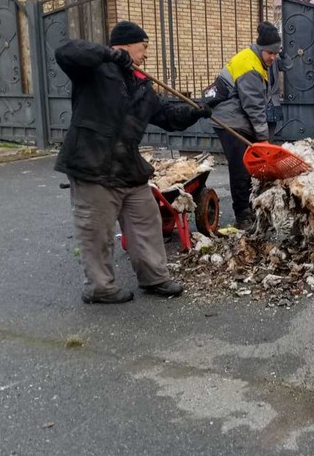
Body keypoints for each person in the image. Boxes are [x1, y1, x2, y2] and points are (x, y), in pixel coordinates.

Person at [55, 20, 212, 304]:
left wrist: (195, 112)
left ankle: (154, 277)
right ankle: (99, 288)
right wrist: (107, 54)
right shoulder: (93, 70)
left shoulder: (141, 85)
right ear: (125, 45)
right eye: (144, 47)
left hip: (127, 166)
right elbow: (65, 52)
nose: (146, 54)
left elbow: (166, 115)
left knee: (147, 220)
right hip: (93, 164)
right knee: (96, 231)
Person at [209, 21, 283, 229]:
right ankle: (242, 216)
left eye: (276, 53)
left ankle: (250, 208)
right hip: (229, 120)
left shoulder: (259, 60)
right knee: (240, 168)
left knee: (248, 166)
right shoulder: (250, 66)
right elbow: (254, 107)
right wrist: (263, 140)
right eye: (271, 53)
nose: (273, 57)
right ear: (261, 49)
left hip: (238, 116)